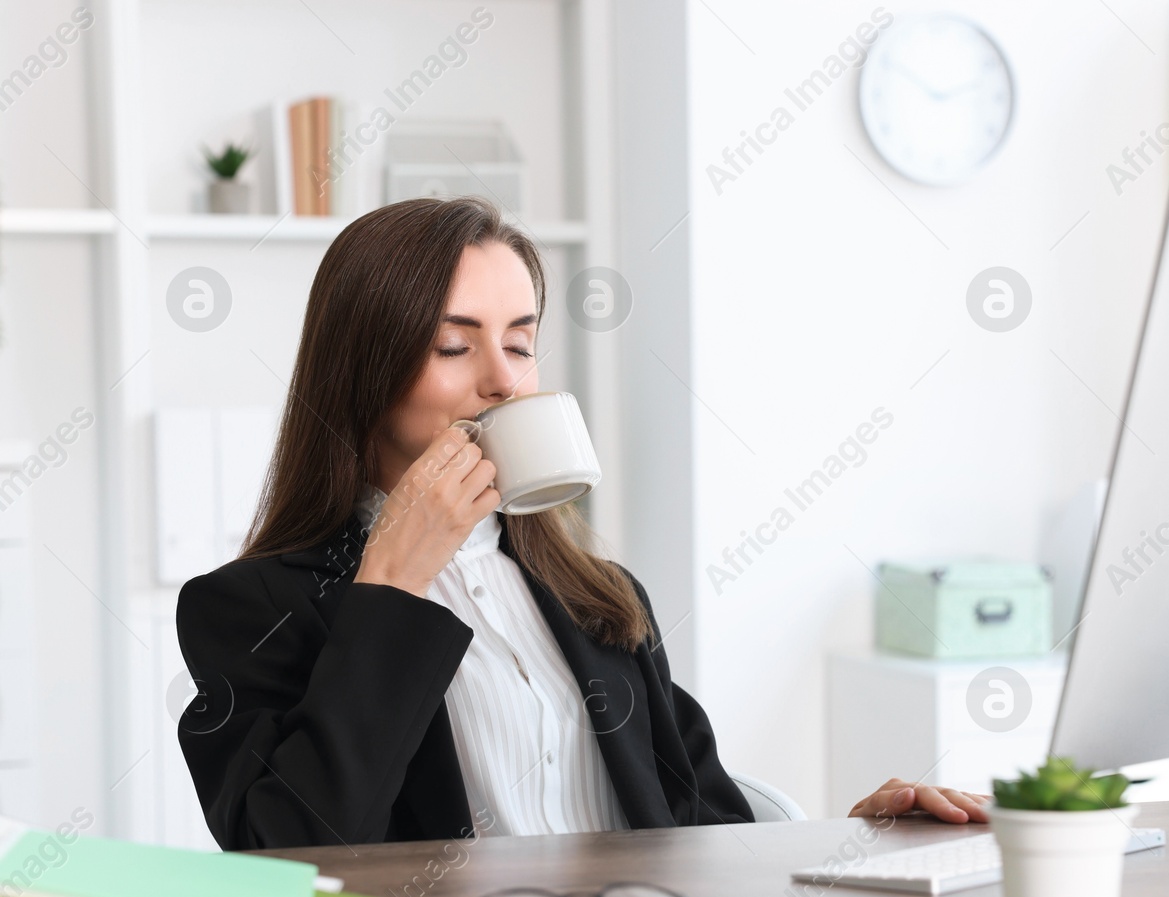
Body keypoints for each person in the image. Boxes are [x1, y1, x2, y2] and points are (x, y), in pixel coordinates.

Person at [175, 197, 990, 850]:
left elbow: (706, 829)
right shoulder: (247, 607)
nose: (503, 381)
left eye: (521, 344)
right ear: (362, 372)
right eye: (454, 347)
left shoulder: (596, 597)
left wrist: (858, 841)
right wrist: (393, 583)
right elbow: (287, 854)